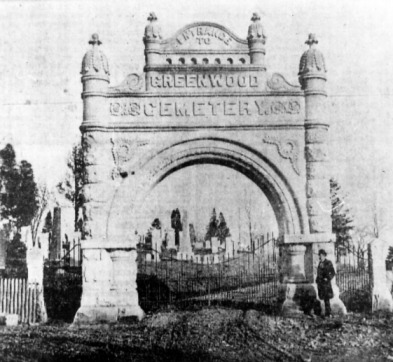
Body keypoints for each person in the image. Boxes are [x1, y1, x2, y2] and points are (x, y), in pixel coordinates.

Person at [316, 249, 335, 318]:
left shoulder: (328, 263)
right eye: (319, 255)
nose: (320, 257)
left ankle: (328, 313)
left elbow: (333, 272)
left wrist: (328, 278)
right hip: (321, 283)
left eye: (321, 255)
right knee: (323, 298)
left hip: (326, 284)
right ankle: (327, 313)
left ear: (324, 255)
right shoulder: (320, 263)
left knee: (327, 298)